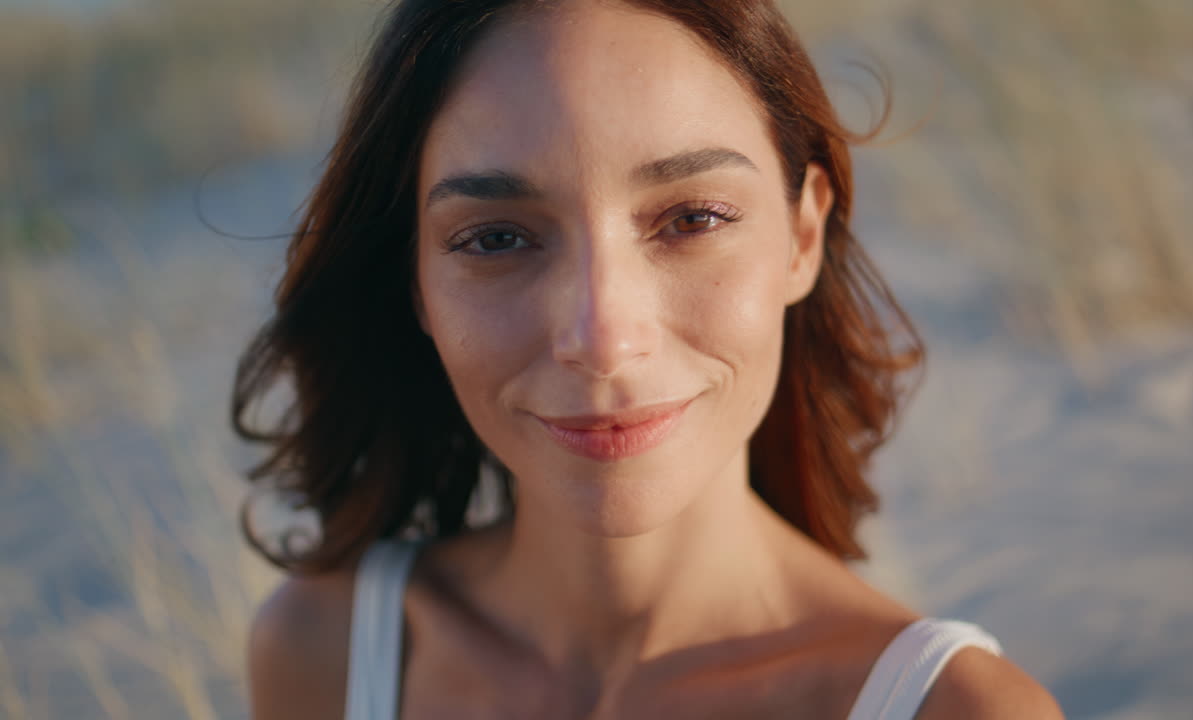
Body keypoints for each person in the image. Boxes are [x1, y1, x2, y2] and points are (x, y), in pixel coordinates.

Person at [234, 0, 1064, 718]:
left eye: (692, 219)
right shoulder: (324, 655)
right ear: (414, 278)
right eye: (496, 237)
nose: (600, 337)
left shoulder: (958, 712)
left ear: (803, 236)